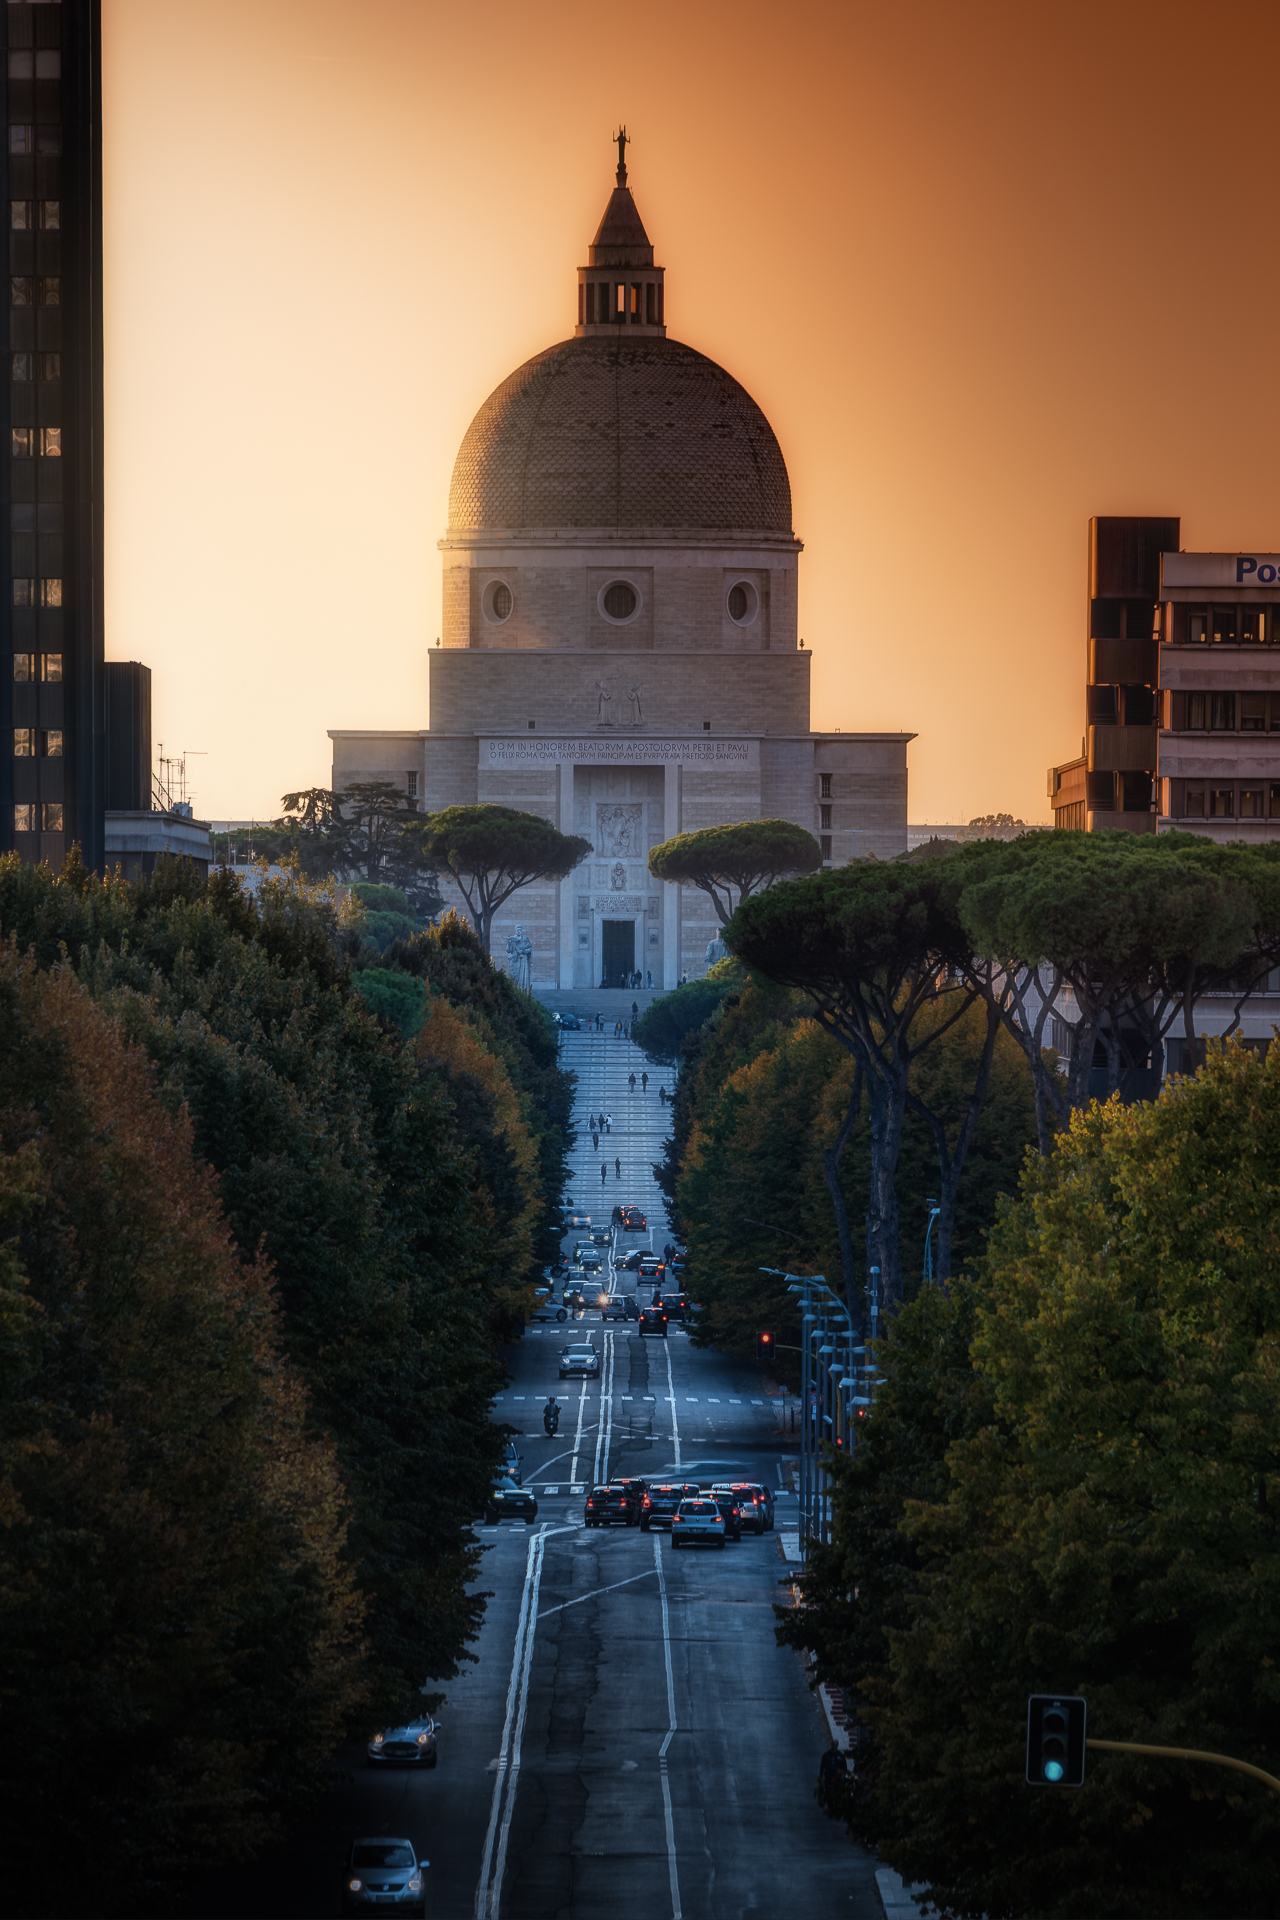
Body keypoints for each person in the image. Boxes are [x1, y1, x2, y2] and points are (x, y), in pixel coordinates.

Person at [816, 1739, 848, 1812]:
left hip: (837, 1778)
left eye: (836, 1745)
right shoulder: (826, 1756)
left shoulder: (841, 1756)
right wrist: (821, 1776)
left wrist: (844, 1777)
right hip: (828, 1778)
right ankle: (831, 1807)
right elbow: (822, 1766)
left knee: (837, 1793)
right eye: (833, 1744)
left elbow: (844, 1768)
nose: (834, 1746)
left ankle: (836, 1807)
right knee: (829, 1792)